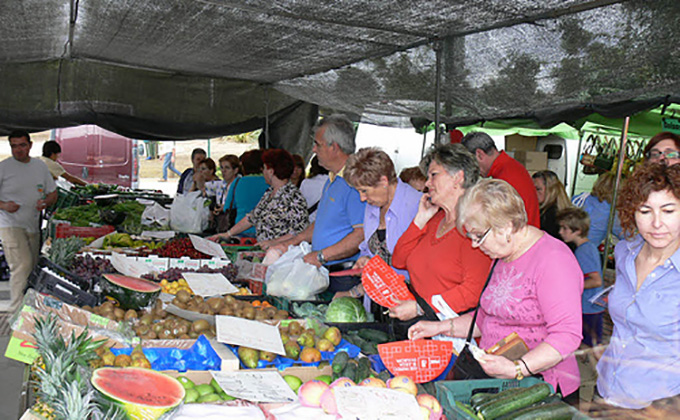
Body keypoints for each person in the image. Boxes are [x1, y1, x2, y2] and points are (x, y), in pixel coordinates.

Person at [409, 178, 583, 398]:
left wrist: (517, 368)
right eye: (471, 236)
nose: (474, 244)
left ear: (507, 226)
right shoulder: (502, 255)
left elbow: (567, 335)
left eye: (479, 236)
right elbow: (486, 318)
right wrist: (439, 327)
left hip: (540, 388)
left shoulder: (553, 260)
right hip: (503, 383)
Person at [596, 163, 680, 409]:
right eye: (645, 211)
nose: (656, 223)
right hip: (607, 389)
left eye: (668, 211)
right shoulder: (625, 252)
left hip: (659, 405)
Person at [391, 143, 491, 322]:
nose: (427, 183)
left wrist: (421, 308)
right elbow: (398, 260)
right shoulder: (435, 219)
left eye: (433, 175)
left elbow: (473, 291)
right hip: (422, 324)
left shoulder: (474, 228)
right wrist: (419, 220)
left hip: (451, 330)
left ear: (458, 178)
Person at [266, 115, 365, 293]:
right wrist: (292, 242)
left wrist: (321, 256)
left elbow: (361, 235)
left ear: (334, 147)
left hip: (343, 276)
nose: (313, 149)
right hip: (324, 271)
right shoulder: (333, 179)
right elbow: (321, 222)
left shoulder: (355, 182)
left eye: (318, 144)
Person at [334, 147, 422, 300]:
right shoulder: (373, 205)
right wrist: (365, 259)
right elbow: (371, 250)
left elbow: (420, 268)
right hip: (377, 301)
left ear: (383, 181)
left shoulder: (417, 206)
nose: (362, 198)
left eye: (365, 191)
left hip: (409, 304)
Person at [0, 131, 57, 313]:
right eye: (14, 146)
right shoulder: (4, 167)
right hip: (9, 224)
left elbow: (53, 193)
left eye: (22, 145)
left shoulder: (39, 167)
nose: (18, 150)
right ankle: (15, 313)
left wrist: (45, 202)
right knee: (22, 266)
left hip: (33, 225)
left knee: (32, 269)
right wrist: (4, 205)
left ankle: (30, 310)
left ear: (30, 145)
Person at [208, 149, 308, 243]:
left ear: (271, 171)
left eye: (264, 168)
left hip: (281, 255)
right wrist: (228, 234)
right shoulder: (270, 193)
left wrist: (273, 243)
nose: (263, 172)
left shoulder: (293, 196)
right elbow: (252, 217)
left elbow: (299, 232)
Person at [461, 132, 540, 228]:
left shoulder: (504, 177)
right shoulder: (510, 167)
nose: (473, 169)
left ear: (480, 154)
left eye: (471, 163)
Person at [556, 207, 604, 347]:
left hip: (588, 308)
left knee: (592, 347)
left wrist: (571, 288)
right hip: (588, 306)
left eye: (564, 228)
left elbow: (596, 281)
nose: (560, 232)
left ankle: (602, 368)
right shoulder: (587, 248)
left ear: (577, 230)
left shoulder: (584, 251)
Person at [572, 172, 623, 244]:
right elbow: (626, 236)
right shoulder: (611, 212)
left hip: (565, 244)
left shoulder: (580, 198)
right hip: (585, 249)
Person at [229, 150, 269, 237]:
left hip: (240, 228)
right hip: (265, 231)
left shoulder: (237, 182)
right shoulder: (269, 182)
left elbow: (228, 206)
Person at [532, 170, 572, 238]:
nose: (533, 192)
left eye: (538, 189)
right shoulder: (565, 212)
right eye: (532, 188)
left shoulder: (548, 216)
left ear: (550, 190)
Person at [299, 155, 329, 222]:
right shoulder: (334, 184)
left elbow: (299, 205)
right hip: (324, 224)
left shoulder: (305, 183)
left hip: (306, 224)